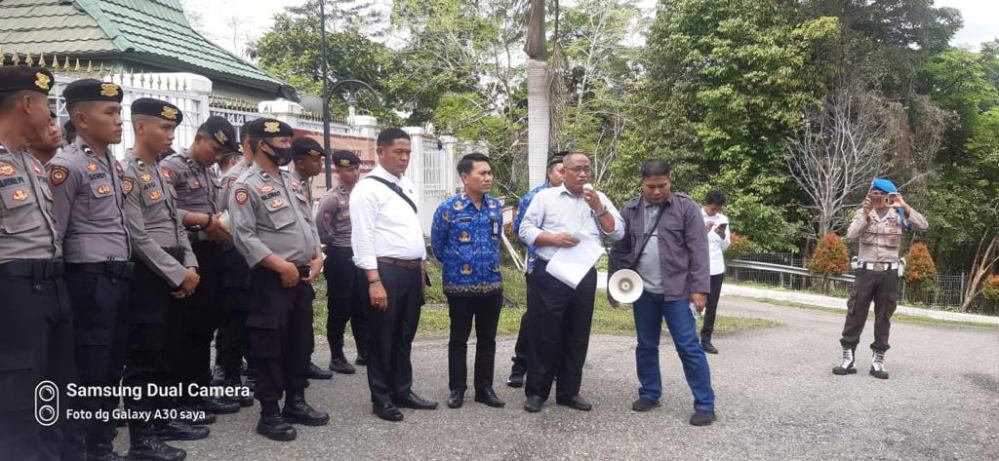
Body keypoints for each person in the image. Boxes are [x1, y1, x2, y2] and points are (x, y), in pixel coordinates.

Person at [49, 78, 133, 460]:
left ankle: (101, 445)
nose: (119, 120)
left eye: (119, 112)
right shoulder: (67, 166)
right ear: (81, 119)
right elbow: (55, 234)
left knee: (113, 366)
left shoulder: (110, 163)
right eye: (110, 112)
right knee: (89, 370)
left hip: (117, 279)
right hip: (88, 280)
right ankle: (80, 450)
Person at [230, 118, 328, 441]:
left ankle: (296, 401)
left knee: (300, 342)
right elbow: (243, 236)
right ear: (262, 145)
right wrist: (280, 266)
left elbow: (308, 222)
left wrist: (317, 255)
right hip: (270, 279)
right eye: (283, 143)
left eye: (288, 141)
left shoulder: (291, 181)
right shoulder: (245, 185)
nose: (288, 148)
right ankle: (269, 412)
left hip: (301, 275)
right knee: (268, 345)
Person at [120, 98, 205, 460]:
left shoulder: (160, 171)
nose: (171, 135)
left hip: (176, 269)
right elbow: (137, 236)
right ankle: (141, 438)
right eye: (165, 128)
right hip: (149, 274)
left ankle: (163, 420)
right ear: (141, 127)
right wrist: (176, 274)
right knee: (144, 358)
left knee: (169, 351)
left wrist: (191, 265)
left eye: (173, 129)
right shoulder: (127, 172)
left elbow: (177, 225)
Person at [0, 66, 75, 461]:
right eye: (47, 104)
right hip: (13, 292)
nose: (51, 114)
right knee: (18, 397)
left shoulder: (30, 162)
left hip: (51, 287)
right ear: (27, 104)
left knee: (54, 389)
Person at [608, 159, 716, 426]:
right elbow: (619, 249)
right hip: (642, 291)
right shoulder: (630, 209)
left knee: (688, 347)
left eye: (662, 186)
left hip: (677, 291)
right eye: (650, 187)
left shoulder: (686, 207)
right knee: (646, 345)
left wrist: (700, 289)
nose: (656, 191)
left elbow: (699, 250)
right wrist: (613, 285)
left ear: (670, 181)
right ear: (642, 184)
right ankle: (650, 393)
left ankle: (705, 405)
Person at [518, 151, 624, 413]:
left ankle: (569, 392)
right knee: (544, 333)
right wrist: (553, 238)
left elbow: (617, 232)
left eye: (587, 169)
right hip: (551, 272)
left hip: (583, 273)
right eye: (577, 169)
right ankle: (537, 392)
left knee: (577, 334)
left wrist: (598, 207)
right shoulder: (546, 197)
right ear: (563, 172)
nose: (583, 174)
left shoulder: (599, 199)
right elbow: (525, 230)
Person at [350, 127, 438, 422]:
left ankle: (402, 389)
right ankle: (381, 398)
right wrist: (374, 281)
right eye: (398, 152)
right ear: (380, 152)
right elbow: (362, 238)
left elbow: (410, 229)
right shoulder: (367, 189)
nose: (404, 158)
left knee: (404, 334)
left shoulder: (407, 184)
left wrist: (421, 268)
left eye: (408, 152)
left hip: (411, 271)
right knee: (382, 337)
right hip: (385, 271)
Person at [160, 117, 242, 417]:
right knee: (185, 329)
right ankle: (181, 397)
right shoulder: (173, 168)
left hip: (211, 253)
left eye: (222, 153)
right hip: (186, 254)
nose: (217, 157)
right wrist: (201, 220)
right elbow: (163, 210)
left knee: (205, 327)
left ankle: (198, 390)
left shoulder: (208, 171)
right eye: (214, 149)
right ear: (199, 138)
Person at [431, 153, 506, 409]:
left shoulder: (495, 207)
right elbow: (437, 246)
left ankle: (484, 388)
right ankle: (457, 389)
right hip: (459, 286)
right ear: (465, 177)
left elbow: (496, 240)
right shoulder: (448, 208)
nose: (488, 178)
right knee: (458, 339)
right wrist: (459, 263)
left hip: (492, 284)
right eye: (482, 173)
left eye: (489, 173)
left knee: (488, 339)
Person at [834, 178, 928, 379]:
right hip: (865, 273)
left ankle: (878, 361)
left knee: (884, 316)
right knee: (855, 313)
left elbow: (923, 225)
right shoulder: (863, 213)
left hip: (889, 273)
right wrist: (865, 214)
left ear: (890, 197)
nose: (878, 198)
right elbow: (851, 235)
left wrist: (904, 206)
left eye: (883, 195)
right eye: (874, 194)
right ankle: (848, 358)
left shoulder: (899, 214)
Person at [507, 153, 564, 388]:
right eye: (560, 171)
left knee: (562, 319)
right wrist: (546, 243)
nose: (565, 175)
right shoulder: (535, 197)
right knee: (534, 317)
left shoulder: (579, 197)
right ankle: (520, 366)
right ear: (550, 173)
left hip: (569, 269)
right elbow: (520, 229)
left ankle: (554, 368)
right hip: (539, 266)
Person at [212, 120, 260, 403]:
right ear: (249, 144)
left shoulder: (270, 176)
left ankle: (254, 370)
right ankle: (228, 375)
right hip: (238, 258)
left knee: (256, 316)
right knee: (235, 318)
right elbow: (225, 220)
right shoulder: (234, 178)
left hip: (261, 258)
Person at [316, 150, 369, 375]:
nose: (355, 173)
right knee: (340, 307)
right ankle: (336, 356)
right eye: (349, 169)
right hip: (340, 255)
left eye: (357, 168)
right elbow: (321, 229)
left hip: (360, 256)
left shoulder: (362, 194)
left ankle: (364, 351)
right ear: (338, 170)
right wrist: (334, 245)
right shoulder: (332, 198)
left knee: (361, 306)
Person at [291, 136, 334, 381]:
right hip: (290, 261)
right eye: (316, 160)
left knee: (305, 316)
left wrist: (318, 255)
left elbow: (309, 224)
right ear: (300, 162)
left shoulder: (304, 183)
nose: (320, 165)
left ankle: (304, 361)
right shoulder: (287, 183)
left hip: (309, 259)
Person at [700, 190, 730, 354]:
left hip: (717, 267)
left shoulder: (722, 219)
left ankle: (706, 340)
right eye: (713, 208)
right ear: (707, 204)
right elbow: (689, 240)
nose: (715, 211)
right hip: (698, 266)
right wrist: (703, 231)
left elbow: (725, 246)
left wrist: (723, 235)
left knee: (712, 306)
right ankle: (687, 338)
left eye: (718, 209)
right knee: (693, 303)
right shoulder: (696, 216)